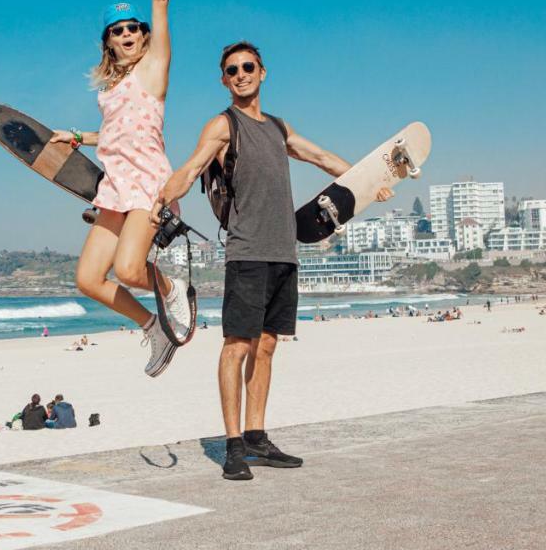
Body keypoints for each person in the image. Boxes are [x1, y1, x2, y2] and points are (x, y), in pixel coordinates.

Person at [153, 41, 393, 481]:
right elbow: (191, 168)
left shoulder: (280, 128)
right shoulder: (224, 125)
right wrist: (166, 197)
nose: (240, 74)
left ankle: (257, 436)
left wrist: (368, 181)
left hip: (285, 251)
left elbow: (321, 157)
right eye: (231, 70)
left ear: (263, 72)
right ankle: (233, 446)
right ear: (224, 80)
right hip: (246, 251)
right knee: (237, 346)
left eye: (247, 67)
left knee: (266, 346)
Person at [47, 0, 191, 378]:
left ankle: (173, 291)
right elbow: (113, 136)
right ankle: (153, 327)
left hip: (149, 184)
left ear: (144, 35)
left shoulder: (154, 69)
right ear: (107, 42)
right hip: (114, 187)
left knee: (130, 271)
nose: (127, 34)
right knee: (88, 279)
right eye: (118, 30)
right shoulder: (109, 91)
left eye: (134, 28)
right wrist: (78, 137)